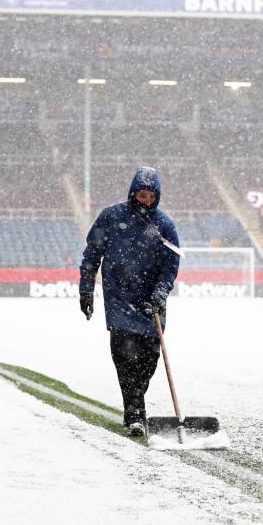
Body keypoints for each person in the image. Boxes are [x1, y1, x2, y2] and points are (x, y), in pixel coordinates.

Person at [79, 167, 181, 437]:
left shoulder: (165, 225)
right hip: (119, 300)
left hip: (151, 304)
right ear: (133, 192)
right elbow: (91, 256)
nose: (146, 200)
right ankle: (135, 413)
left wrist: (160, 292)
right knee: (125, 358)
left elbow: (172, 264)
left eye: (151, 196)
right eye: (141, 194)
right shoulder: (111, 217)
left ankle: (136, 400)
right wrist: (86, 290)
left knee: (148, 360)